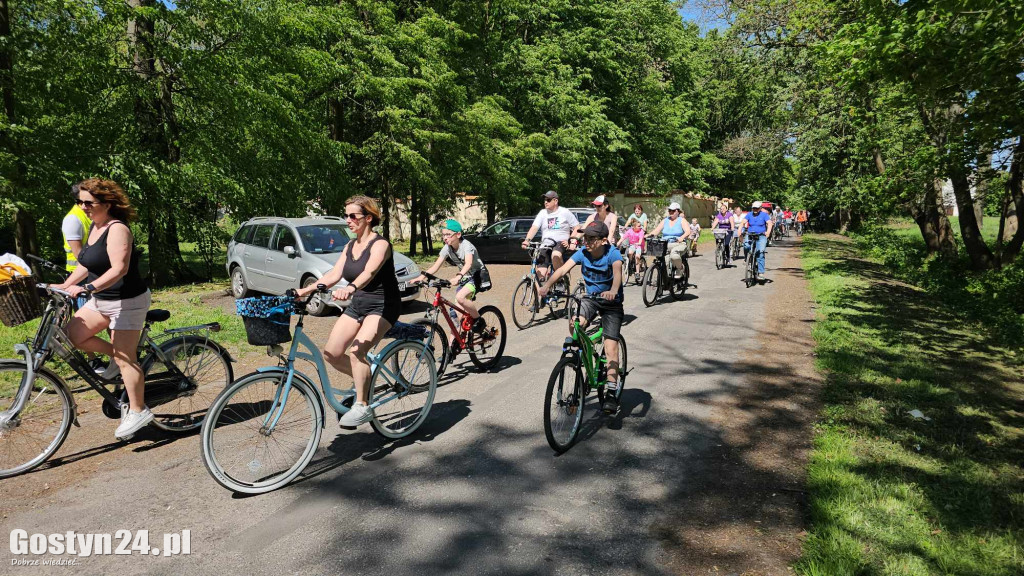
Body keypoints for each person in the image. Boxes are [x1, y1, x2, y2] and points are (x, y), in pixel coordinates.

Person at [53, 179, 152, 440]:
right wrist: (66, 284)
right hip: (102, 299)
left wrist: (88, 288)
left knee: (125, 357)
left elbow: (119, 268)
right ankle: (124, 360)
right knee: (74, 335)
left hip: (126, 301)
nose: (83, 206)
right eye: (80, 202)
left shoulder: (117, 229)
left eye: (88, 202)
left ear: (107, 204)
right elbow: (87, 263)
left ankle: (139, 410)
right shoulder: (96, 227)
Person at [295, 195, 401, 428]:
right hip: (359, 303)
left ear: (369, 218)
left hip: (383, 305)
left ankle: (362, 405)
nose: (348, 220)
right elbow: (334, 275)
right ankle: (366, 379)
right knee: (331, 353)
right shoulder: (350, 246)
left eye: (353, 216)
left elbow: (370, 272)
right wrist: (306, 290)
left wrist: (351, 287)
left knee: (357, 352)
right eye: (346, 216)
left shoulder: (380, 244)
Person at [538, 221, 624, 414]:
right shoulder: (582, 253)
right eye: (585, 237)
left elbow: (618, 274)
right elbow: (561, 270)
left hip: (611, 303)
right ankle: (585, 356)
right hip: (591, 299)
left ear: (603, 240)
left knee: (611, 347)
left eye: (591, 238)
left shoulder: (612, 254)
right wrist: (547, 285)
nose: (586, 241)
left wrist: (613, 290)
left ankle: (611, 393)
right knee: (575, 324)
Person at [414, 219, 487, 333]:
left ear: (458, 234)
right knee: (456, 318)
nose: (445, 238)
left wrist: (458, 276)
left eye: (448, 234)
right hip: (465, 278)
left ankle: (478, 320)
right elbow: (436, 265)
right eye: (443, 235)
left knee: (460, 297)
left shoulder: (467, 246)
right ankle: (454, 346)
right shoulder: (447, 248)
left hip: (477, 276)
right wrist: (422, 276)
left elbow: (468, 263)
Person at [521, 190, 580, 282]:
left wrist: (571, 240)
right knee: (540, 272)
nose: (545, 202)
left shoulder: (564, 212)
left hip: (561, 242)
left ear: (555, 201)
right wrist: (527, 240)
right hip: (546, 243)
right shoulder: (542, 213)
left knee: (555, 255)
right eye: (545, 200)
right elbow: (534, 227)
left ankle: (561, 279)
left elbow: (577, 227)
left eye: (548, 200)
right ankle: (541, 293)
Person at [649, 202, 692, 279]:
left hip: (678, 243)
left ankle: (680, 268)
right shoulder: (665, 220)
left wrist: (682, 237)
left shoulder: (681, 220)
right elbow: (656, 231)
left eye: (673, 210)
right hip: (665, 244)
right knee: (663, 261)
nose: (670, 212)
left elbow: (688, 231)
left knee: (674, 255)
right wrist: (647, 235)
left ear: (677, 211)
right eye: (669, 210)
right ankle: (662, 280)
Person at [739, 200, 773, 281]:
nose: (755, 210)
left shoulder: (764, 215)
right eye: (754, 208)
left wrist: (768, 232)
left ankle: (761, 272)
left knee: (760, 252)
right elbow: (743, 222)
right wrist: (739, 230)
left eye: (757, 208)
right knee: (746, 246)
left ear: (760, 208)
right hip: (750, 234)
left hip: (761, 235)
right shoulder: (749, 214)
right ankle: (748, 259)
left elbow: (769, 223)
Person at [62, 183, 91, 273]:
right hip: (78, 274)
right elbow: (79, 255)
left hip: (89, 272)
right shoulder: (73, 218)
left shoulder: (89, 214)